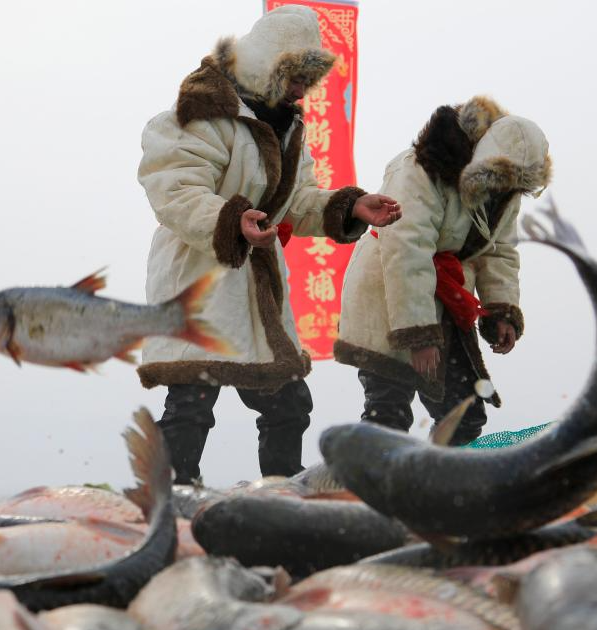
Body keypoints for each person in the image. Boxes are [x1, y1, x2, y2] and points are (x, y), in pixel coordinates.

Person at [136, 6, 401, 483]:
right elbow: (174, 189)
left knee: (288, 402)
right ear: (268, 65)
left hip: (257, 287)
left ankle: (281, 493)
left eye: (308, 80)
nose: (302, 90)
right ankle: (169, 496)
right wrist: (231, 221)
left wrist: (350, 206)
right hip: (200, 277)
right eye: (296, 77)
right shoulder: (197, 112)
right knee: (192, 399)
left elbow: (297, 201)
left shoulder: (288, 126)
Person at [334, 96, 551, 445]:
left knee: (464, 413)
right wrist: (419, 334)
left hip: (447, 296)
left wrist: (501, 310)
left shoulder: (506, 192)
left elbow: (498, 251)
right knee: (388, 410)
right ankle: (370, 477)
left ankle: (438, 476)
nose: (504, 189)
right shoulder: (418, 169)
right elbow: (407, 250)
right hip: (388, 292)